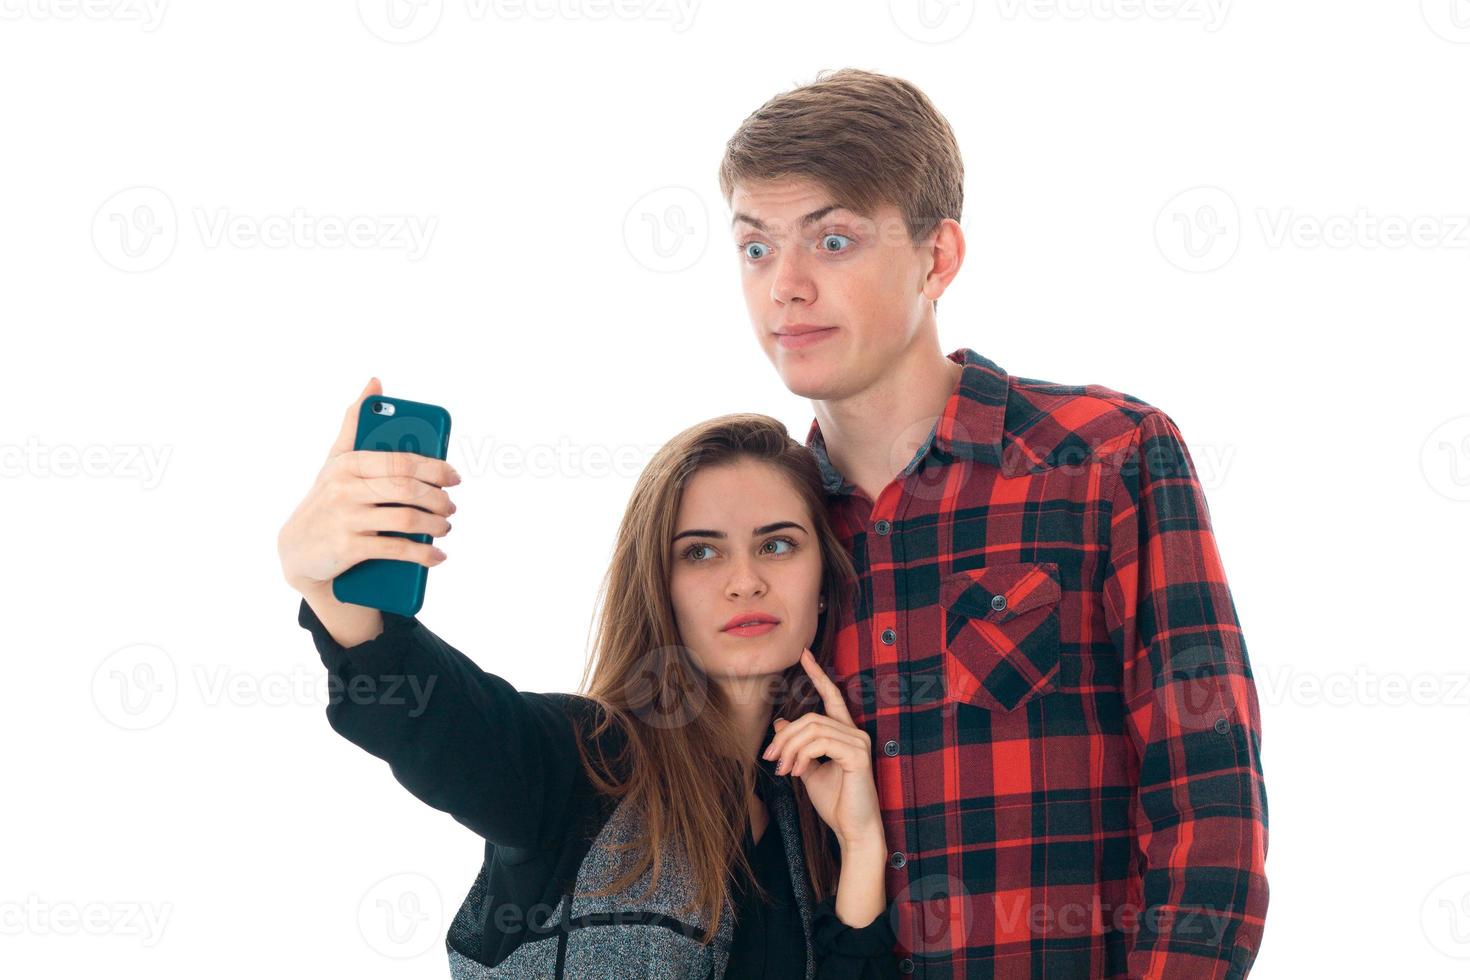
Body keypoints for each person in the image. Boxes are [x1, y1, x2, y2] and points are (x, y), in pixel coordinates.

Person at [716, 68, 1270, 977]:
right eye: (756, 249)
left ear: (939, 259)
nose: (786, 287)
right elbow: (640, 781)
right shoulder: (762, 530)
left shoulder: (1109, 460)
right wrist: (389, 618)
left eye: (835, 240)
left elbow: (1209, 810)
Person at [277, 384, 904, 978]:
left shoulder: (805, 811)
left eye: (777, 546)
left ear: (823, 583)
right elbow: (437, 719)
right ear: (659, 588)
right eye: (701, 553)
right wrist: (334, 594)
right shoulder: (585, 761)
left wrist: (860, 842)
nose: (745, 581)